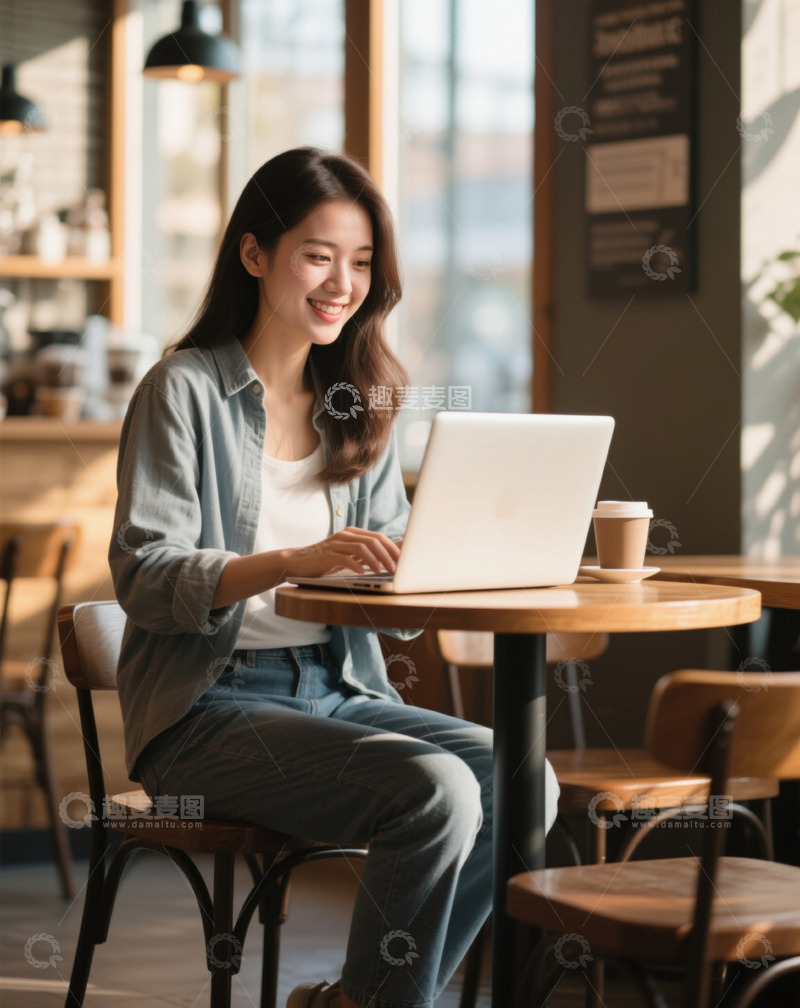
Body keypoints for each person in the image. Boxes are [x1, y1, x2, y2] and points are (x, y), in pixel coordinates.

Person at [109, 146, 560, 1008]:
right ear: (254, 255)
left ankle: (365, 999)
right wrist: (293, 564)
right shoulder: (182, 390)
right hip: (206, 712)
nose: (340, 283)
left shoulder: (357, 399)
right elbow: (146, 574)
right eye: (318, 255)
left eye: (360, 264)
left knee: (524, 780)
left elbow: (387, 590)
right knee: (434, 793)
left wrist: (434, 565)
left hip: (341, 686)